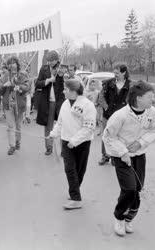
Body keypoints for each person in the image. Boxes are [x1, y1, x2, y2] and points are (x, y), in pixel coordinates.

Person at [102, 81, 155, 237]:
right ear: (138, 98)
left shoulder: (152, 112)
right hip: (122, 156)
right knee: (129, 189)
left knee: (136, 190)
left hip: (139, 155)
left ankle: (128, 219)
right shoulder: (120, 115)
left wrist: (141, 142)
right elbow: (108, 137)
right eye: (149, 97)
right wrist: (123, 152)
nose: (152, 101)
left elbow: (154, 130)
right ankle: (119, 217)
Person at [49, 79, 97, 209]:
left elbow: (89, 127)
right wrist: (53, 133)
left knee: (80, 170)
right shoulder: (65, 103)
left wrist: (75, 141)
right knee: (69, 169)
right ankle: (76, 198)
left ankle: (75, 190)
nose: (63, 91)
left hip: (82, 143)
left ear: (73, 91)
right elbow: (60, 123)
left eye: (65, 89)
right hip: (66, 141)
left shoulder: (88, 105)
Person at [98, 64, 131, 166]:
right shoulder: (108, 83)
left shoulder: (130, 85)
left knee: (120, 137)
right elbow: (101, 97)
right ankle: (105, 156)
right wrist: (106, 107)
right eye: (114, 73)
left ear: (124, 72)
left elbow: (131, 100)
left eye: (117, 73)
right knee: (106, 136)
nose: (115, 75)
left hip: (123, 117)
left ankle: (117, 157)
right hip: (107, 115)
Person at [0, 56, 30, 155]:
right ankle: (12, 146)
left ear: (17, 64)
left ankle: (17, 141)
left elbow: (27, 87)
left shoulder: (22, 74)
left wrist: (19, 87)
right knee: (10, 126)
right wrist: (4, 85)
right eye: (10, 63)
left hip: (19, 105)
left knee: (18, 125)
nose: (12, 65)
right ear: (8, 66)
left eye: (14, 63)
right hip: (8, 105)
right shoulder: (4, 76)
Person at [35, 50, 65, 155]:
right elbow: (37, 84)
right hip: (47, 102)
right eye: (49, 60)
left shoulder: (61, 69)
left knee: (62, 125)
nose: (50, 63)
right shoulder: (44, 69)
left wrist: (61, 76)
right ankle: (49, 147)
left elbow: (63, 86)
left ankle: (63, 150)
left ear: (57, 60)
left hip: (59, 102)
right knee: (48, 126)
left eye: (52, 60)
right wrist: (47, 81)